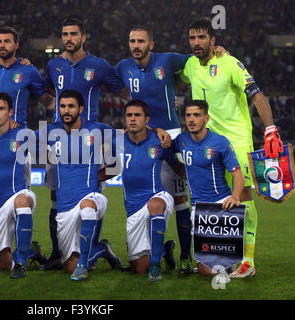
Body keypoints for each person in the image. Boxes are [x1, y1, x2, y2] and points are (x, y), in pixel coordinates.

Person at [114, 26, 230, 274]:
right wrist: (129, 98)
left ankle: (186, 256)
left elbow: (197, 58)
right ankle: (152, 250)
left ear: (151, 44)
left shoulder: (167, 60)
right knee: (142, 195)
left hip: (171, 137)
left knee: (179, 200)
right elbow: (109, 80)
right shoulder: (124, 66)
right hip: (144, 136)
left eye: (141, 41)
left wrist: (216, 50)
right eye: (132, 41)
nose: (136, 45)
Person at [179, 18, 282, 277]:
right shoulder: (190, 65)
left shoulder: (230, 63)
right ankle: (221, 256)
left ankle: (248, 261)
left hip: (236, 141)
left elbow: (256, 95)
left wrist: (270, 128)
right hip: (207, 141)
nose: (196, 42)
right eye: (192, 38)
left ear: (213, 41)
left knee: (243, 197)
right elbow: (171, 74)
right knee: (217, 200)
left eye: (202, 37)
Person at [41, 17, 129, 269]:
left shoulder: (98, 65)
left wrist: (143, 111)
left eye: (73, 34)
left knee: (94, 189)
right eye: (65, 34)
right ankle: (58, 254)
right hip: (59, 136)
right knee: (56, 193)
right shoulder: (53, 65)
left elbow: (122, 91)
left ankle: (93, 248)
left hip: (92, 137)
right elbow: (46, 93)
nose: (68, 38)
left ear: (83, 37)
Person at [36, 89, 123, 281]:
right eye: (63, 106)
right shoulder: (49, 131)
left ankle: (83, 263)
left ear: (81, 108)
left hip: (90, 196)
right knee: (69, 266)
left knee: (88, 207)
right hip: (65, 208)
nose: (66, 110)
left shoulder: (98, 130)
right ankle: (101, 249)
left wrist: (95, 176)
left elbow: (117, 164)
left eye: (71, 106)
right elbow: (17, 136)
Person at [0, 92, 47, 279]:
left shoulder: (22, 134)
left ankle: (22, 263)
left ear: (10, 112)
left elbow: (51, 151)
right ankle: (32, 252)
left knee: (23, 203)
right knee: (2, 265)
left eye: (1, 109)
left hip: (18, 193)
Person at [173, 100, 244, 276]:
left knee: (215, 269)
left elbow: (237, 173)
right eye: (188, 115)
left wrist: (235, 197)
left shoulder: (219, 142)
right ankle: (220, 260)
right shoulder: (181, 140)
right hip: (198, 208)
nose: (191, 119)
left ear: (206, 118)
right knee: (206, 272)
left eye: (196, 115)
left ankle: (227, 259)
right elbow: (165, 149)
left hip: (221, 203)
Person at [120, 99, 186, 281]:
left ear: (147, 119)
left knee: (155, 205)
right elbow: (109, 169)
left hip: (157, 195)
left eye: (137, 115)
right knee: (138, 268)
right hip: (133, 209)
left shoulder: (160, 141)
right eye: (129, 115)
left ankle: (155, 266)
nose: (133, 119)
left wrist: (197, 181)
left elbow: (177, 167)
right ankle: (164, 250)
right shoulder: (117, 141)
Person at [0, 26, 52, 128]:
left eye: (7, 41)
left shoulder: (29, 70)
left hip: (16, 133)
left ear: (16, 45)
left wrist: (70, 105)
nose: (2, 45)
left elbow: (46, 100)